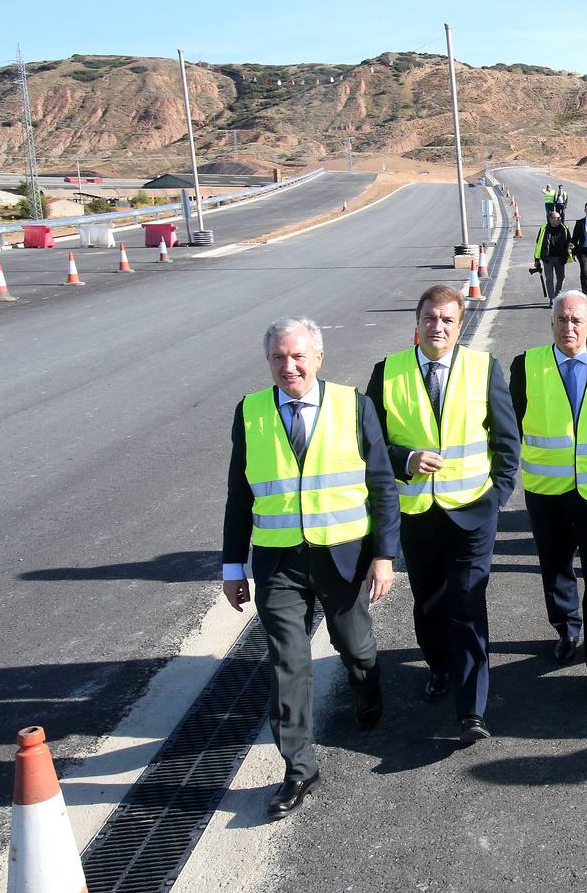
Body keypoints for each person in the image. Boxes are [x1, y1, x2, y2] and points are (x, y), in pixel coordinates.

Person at [221, 316, 399, 818]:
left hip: (342, 554)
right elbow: (239, 494)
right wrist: (232, 566)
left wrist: (384, 555)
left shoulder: (353, 405)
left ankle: (368, 689)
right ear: (268, 361)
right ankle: (299, 767)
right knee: (287, 661)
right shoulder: (251, 412)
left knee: (354, 644)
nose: (289, 366)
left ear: (318, 357)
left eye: (298, 356)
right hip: (278, 560)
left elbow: (382, 485)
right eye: (278, 357)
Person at [365, 286, 519, 745]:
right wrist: (405, 459)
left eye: (448, 320)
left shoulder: (483, 368)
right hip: (416, 512)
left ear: (459, 324)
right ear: (417, 322)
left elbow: (506, 440)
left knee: (468, 602)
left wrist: (497, 496)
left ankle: (472, 710)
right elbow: (369, 445)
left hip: (473, 510)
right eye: (430, 318)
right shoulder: (388, 372)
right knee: (429, 602)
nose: (438, 327)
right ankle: (438, 665)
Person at [510, 291, 587, 688]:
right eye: (562, 320)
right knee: (556, 568)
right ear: (552, 323)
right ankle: (567, 628)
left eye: (577, 321)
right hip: (547, 492)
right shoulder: (527, 365)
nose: (569, 327)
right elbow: (513, 421)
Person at [533, 210, 573, 300]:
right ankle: (552, 300)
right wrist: (536, 259)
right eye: (556, 218)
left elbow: (569, 240)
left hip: (560, 258)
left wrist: (570, 244)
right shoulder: (544, 228)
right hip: (547, 258)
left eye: (559, 218)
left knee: (561, 278)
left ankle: (557, 296)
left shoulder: (564, 228)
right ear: (550, 219)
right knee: (549, 279)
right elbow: (538, 244)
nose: (559, 219)